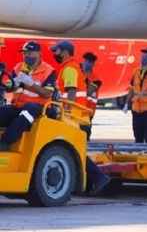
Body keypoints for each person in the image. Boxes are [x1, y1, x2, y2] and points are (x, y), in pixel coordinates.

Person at [50, 40, 110, 196]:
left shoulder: (70, 68)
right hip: (77, 117)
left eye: (56, 51)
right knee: (75, 152)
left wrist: (66, 113)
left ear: (64, 52)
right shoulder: (69, 67)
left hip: (74, 118)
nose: (54, 54)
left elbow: (71, 91)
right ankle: (97, 179)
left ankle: (98, 177)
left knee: (74, 153)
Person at [0, 41, 56, 150]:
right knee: (2, 111)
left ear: (39, 54)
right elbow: (9, 89)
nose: (26, 56)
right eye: (24, 53)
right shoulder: (19, 67)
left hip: (40, 107)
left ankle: (5, 142)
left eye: (30, 53)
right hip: (18, 105)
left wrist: (31, 84)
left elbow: (47, 94)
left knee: (27, 111)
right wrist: (13, 84)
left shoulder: (48, 71)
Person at [81, 52, 102, 141]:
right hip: (76, 110)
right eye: (85, 61)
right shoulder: (78, 73)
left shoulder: (95, 80)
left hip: (87, 112)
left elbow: (88, 92)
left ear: (93, 64)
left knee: (85, 135)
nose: (86, 64)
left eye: (89, 62)